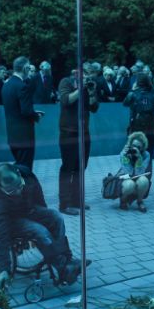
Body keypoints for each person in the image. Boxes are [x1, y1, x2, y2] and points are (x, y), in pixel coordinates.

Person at [0, 163, 85, 290]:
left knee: (56, 217)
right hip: (10, 220)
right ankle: (62, 269)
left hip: (28, 209)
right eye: (11, 191)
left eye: (20, 186)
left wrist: (46, 218)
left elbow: (39, 198)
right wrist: (3, 269)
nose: (18, 191)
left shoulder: (25, 172)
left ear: (19, 175)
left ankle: (67, 259)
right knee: (40, 231)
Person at [58, 63, 100, 216]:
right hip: (69, 133)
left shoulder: (89, 85)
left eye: (91, 73)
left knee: (80, 168)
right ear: (78, 71)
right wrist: (81, 88)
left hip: (84, 133)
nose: (89, 76)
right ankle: (64, 204)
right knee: (67, 168)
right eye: (86, 73)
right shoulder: (66, 82)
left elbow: (94, 108)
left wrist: (92, 92)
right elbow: (66, 100)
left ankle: (76, 201)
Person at [1, 57, 41, 170]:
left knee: (20, 165)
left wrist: (31, 112)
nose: (29, 70)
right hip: (24, 135)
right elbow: (26, 111)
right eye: (28, 67)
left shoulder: (6, 85)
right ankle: (26, 188)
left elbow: (14, 108)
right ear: (24, 68)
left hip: (12, 134)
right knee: (25, 168)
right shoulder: (22, 86)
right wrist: (35, 115)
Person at [123, 73, 154, 161]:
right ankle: (147, 174)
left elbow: (125, 103)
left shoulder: (134, 94)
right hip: (151, 126)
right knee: (148, 155)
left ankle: (136, 173)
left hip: (137, 127)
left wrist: (132, 90)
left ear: (138, 82)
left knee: (135, 153)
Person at [117, 132, 152, 212]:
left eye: (138, 147)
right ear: (130, 145)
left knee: (144, 181)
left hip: (138, 175)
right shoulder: (124, 153)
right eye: (133, 146)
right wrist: (126, 157)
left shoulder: (146, 155)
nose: (135, 148)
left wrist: (139, 158)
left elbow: (140, 172)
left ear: (142, 147)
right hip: (126, 176)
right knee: (129, 185)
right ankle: (123, 200)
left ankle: (140, 201)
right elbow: (128, 172)